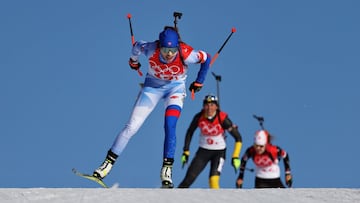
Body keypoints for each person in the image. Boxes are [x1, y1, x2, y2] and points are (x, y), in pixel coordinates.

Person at [92, 26, 211, 188]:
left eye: (172, 50)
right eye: (165, 50)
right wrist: (133, 61)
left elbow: (207, 58)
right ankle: (106, 166)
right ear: (159, 46)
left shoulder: (186, 53)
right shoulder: (149, 48)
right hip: (152, 89)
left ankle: (166, 170)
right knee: (131, 127)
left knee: (170, 126)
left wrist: (199, 81)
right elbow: (136, 47)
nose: (169, 54)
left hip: (174, 90)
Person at [178, 94, 243, 189]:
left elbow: (238, 138)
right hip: (203, 152)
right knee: (188, 179)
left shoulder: (222, 119)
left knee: (213, 181)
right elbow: (190, 132)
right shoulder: (199, 117)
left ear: (216, 106)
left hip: (219, 152)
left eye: (212, 105)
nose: (209, 108)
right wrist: (186, 151)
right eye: (207, 105)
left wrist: (235, 156)